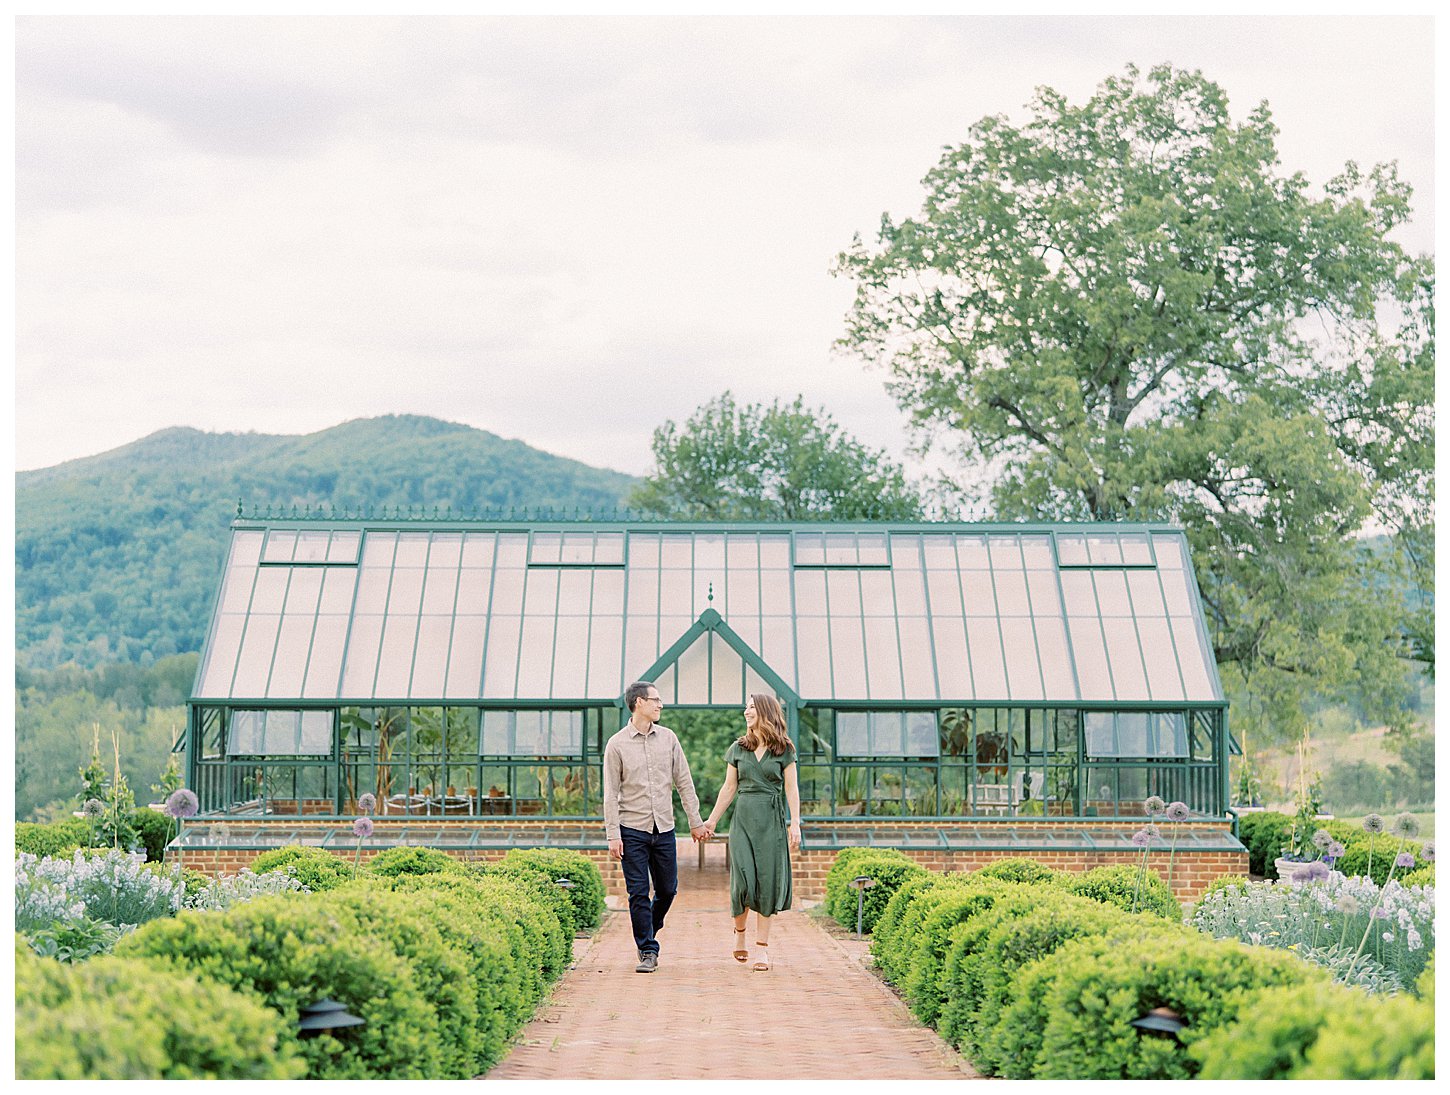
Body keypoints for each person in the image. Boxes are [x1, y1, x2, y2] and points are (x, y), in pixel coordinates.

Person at [603, 680, 709, 973]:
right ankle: (648, 949)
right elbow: (610, 793)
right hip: (631, 828)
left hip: (663, 827)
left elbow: (684, 783)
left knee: (667, 889)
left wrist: (695, 821)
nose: (660, 704)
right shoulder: (617, 744)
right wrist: (613, 834)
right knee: (637, 892)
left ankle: (649, 925)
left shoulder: (669, 739)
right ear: (639, 703)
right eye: (655, 700)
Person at [702, 692, 801, 971]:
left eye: (752, 708)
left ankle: (762, 950)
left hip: (771, 821)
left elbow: (792, 788)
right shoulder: (738, 748)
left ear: (766, 712)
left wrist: (796, 823)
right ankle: (740, 934)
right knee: (743, 883)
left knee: (767, 884)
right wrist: (711, 821)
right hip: (743, 819)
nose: (746, 712)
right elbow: (729, 788)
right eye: (745, 708)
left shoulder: (784, 749)